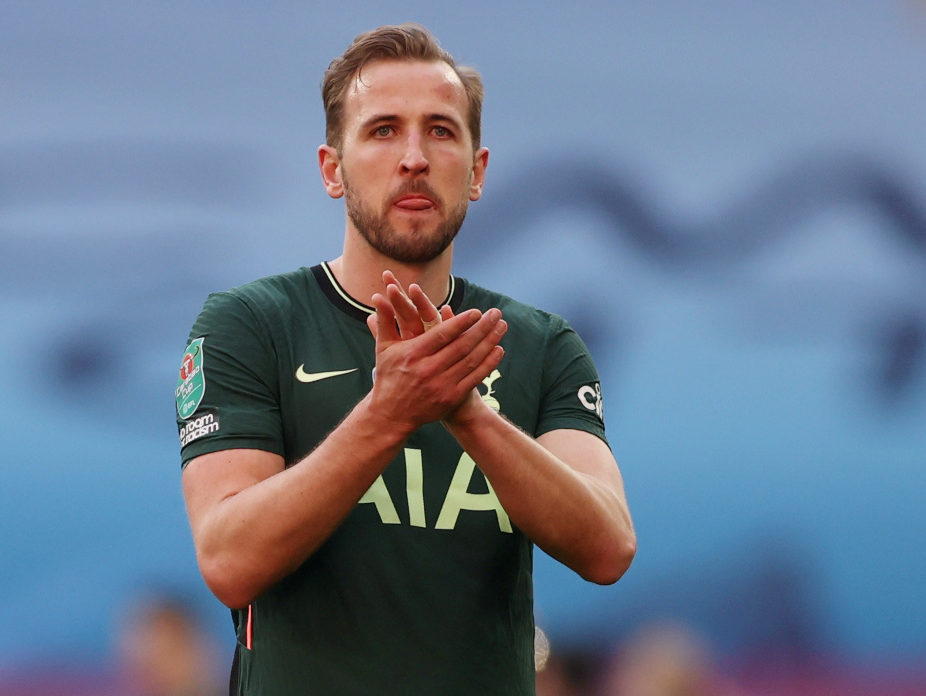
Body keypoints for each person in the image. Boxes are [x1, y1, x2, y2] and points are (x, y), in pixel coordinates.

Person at [175, 22, 635, 696]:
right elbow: (227, 559)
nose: (414, 156)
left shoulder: (539, 344)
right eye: (383, 129)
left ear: (477, 173)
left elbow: (608, 547)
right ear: (333, 168)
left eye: (441, 131)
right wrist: (388, 414)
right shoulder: (251, 325)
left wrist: (469, 417)